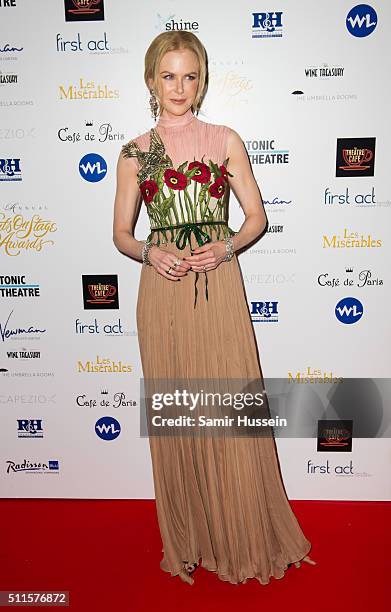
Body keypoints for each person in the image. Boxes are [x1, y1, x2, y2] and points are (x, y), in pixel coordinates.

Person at [113, 31, 316, 586]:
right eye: (168, 76)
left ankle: (241, 534)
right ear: (151, 80)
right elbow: (122, 237)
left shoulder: (225, 139)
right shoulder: (134, 153)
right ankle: (191, 537)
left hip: (218, 284)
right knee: (181, 412)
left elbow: (256, 218)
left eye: (190, 76)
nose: (179, 87)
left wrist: (225, 247)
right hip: (163, 294)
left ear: (202, 81)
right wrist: (152, 252)